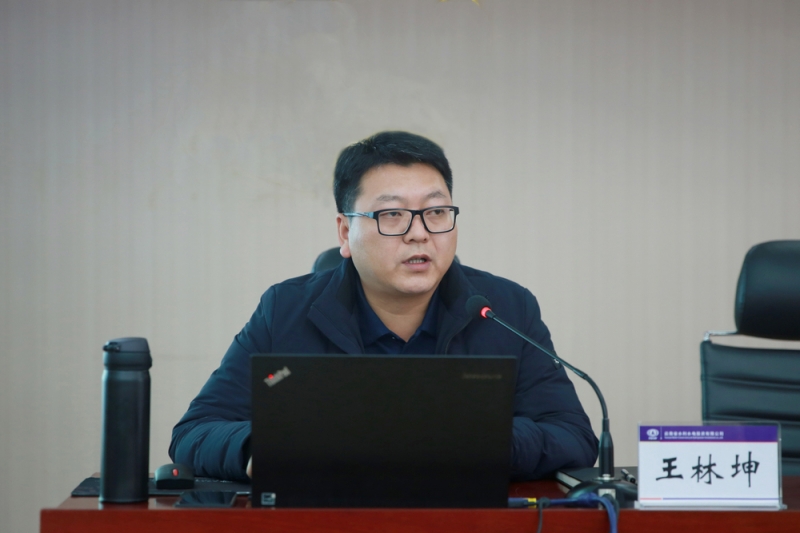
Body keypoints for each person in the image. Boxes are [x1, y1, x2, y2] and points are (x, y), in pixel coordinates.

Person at [169, 131, 598, 482]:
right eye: (392, 215)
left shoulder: (504, 309)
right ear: (345, 232)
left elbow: (572, 435)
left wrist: (477, 441)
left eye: (436, 212)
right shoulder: (285, 310)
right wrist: (262, 448)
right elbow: (195, 432)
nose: (419, 233)